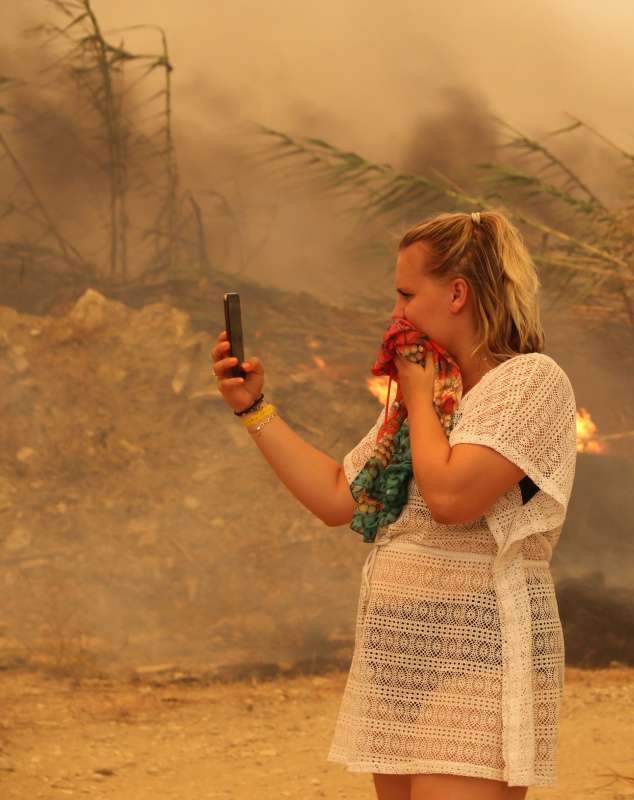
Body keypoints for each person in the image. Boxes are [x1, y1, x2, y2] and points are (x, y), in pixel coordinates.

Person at [209, 210, 578, 800]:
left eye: (407, 294)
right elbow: (337, 496)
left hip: (478, 656)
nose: (397, 314)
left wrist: (415, 394)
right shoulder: (434, 398)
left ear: (457, 293)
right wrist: (253, 409)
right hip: (395, 659)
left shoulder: (530, 382)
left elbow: (452, 496)